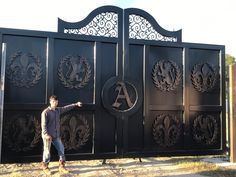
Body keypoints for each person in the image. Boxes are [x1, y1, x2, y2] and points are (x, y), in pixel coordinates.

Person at [41, 95, 82, 175]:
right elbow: (43, 125)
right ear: (50, 102)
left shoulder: (58, 110)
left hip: (56, 136)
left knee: (61, 150)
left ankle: (61, 166)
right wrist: (46, 134)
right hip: (47, 136)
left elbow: (66, 108)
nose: (55, 103)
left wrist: (76, 104)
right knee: (47, 152)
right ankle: (45, 167)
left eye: (56, 101)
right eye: (53, 101)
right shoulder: (46, 112)